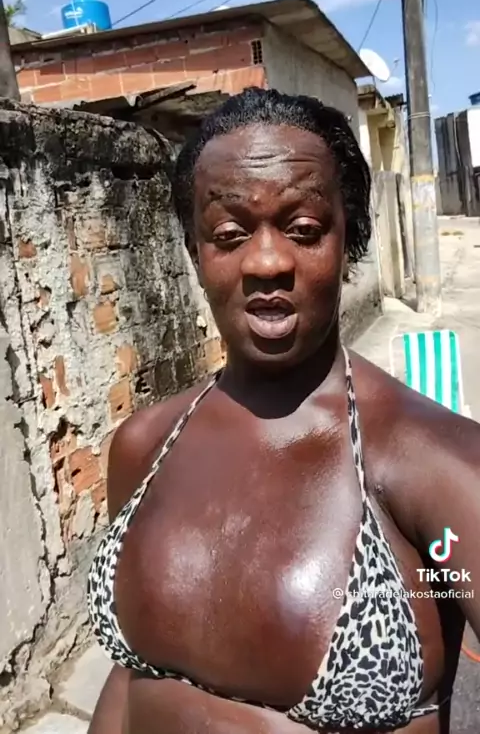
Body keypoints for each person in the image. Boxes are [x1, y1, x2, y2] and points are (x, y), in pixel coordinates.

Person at [87, 87, 480, 734]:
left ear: (348, 240)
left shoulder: (434, 466)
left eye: (303, 230)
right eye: (229, 234)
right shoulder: (144, 448)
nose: (267, 261)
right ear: (194, 251)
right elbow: (130, 680)